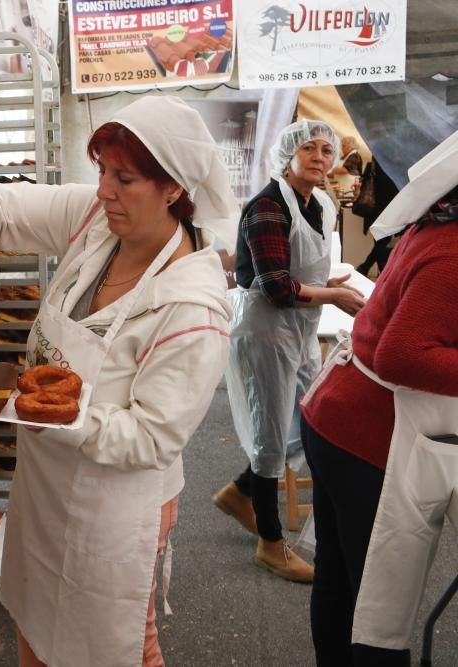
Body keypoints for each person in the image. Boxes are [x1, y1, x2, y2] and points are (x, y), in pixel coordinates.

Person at [0, 96, 238, 667]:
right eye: (102, 171)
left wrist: (39, 408)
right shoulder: (96, 224)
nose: (104, 191)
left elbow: (151, 438)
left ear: (173, 189)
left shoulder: (191, 309)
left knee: (115, 646)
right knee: (35, 620)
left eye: (125, 179)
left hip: (114, 508)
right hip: (43, 487)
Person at [299, 131, 458, 666]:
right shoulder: (454, 251)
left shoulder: (441, 218)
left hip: (335, 415)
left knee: (340, 582)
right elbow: (402, 355)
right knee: (375, 601)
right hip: (364, 435)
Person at [214, 120, 365, 583]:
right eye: (310, 149)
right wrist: (334, 297)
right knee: (269, 435)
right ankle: (271, 544)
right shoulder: (267, 207)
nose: (320, 157)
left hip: (300, 330)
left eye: (326, 149)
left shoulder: (318, 203)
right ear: (289, 154)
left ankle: (241, 492)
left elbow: (300, 267)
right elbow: (277, 287)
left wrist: (327, 286)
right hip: (266, 331)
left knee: (310, 420)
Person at [355, 158, 400, 277]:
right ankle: (372, 269)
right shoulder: (391, 167)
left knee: (380, 242)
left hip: (374, 210)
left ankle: (372, 270)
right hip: (387, 211)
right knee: (382, 243)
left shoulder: (371, 166)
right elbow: (393, 191)